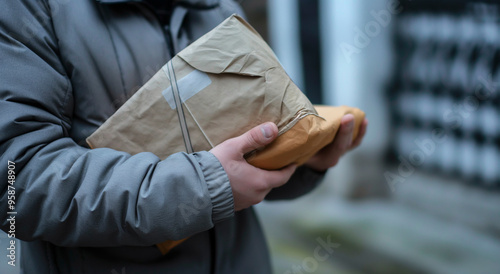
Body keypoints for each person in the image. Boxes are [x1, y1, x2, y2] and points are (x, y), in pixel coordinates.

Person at [0, 0, 367, 273]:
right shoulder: (31, 9)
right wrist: (203, 186)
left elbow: (244, 156)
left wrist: (304, 156)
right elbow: (16, 182)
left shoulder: (216, 6)